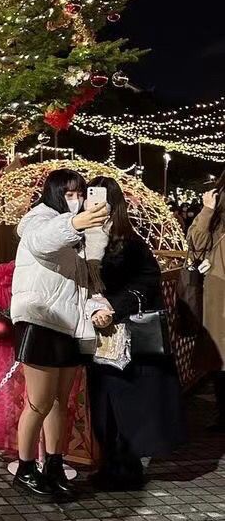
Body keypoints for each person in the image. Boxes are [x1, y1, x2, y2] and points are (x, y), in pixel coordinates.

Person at [10, 169, 109, 501]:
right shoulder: (39, 219)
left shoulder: (79, 232)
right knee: (38, 403)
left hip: (69, 325)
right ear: (53, 193)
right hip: (40, 321)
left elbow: (86, 281)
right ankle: (25, 469)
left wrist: (98, 305)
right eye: (69, 193)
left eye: (81, 193)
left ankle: (54, 464)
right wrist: (76, 223)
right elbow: (43, 242)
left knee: (59, 403)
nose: (77, 199)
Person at [86, 176, 186, 486]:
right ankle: (111, 464)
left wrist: (114, 307)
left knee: (126, 402)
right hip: (94, 335)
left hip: (125, 338)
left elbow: (147, 280)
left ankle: (126, 468)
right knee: (103, 401)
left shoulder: (129, 242)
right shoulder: (80, 237)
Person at [188, 172, 225, 429]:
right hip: (217, 296)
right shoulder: (214, 221)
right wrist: (207, 211)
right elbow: (195, 246)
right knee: (218, 361)